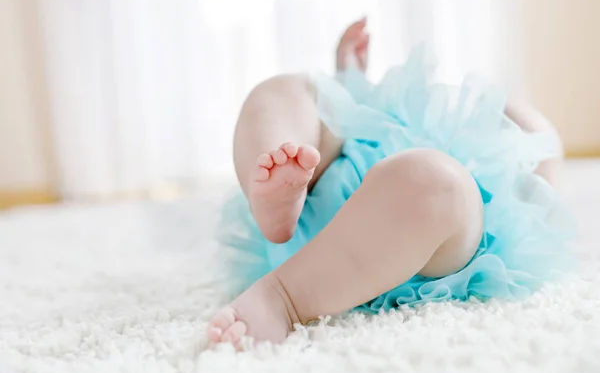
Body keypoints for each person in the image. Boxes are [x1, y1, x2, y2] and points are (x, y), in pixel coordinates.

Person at [207, 18, 575, 348]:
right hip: (314, 198)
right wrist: (348, 83)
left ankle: (285, 299)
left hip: (416, 244)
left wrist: (535, 159)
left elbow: (539, 195)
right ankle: (274, 195)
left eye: (504, 125)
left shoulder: (503, 207)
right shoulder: (395, 117)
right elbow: (355, 111)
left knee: (436, 181)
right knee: (286, 90)